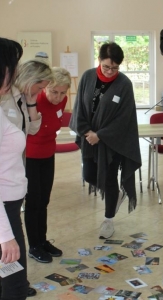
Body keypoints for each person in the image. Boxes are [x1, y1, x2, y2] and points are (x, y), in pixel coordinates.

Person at [70, 41, 141, 240]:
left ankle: (108, 220)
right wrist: (87, 133)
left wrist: (100, 135)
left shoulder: (124, 84)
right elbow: (79, 109)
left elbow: (124, 118)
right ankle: (116, 196)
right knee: (89, 175)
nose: (110, 72)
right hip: (89, 139)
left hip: (111, 143)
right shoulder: (87, 77)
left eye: (115, 68)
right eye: (106, 66)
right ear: (99, 60)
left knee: (109, 180)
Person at [0, 57, 53, 297]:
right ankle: (14, 286)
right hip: (6, 182)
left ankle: (15, 284)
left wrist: (31, 102)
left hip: (15, 178)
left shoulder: (22, 98)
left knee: (13, 246)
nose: (42, 91)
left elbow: (32, 128)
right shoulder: (5, 100)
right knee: (12, 247)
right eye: (40, 87)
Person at [25, 67, 71, 263]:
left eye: (62, 92)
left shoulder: (62, 101)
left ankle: (42, 241)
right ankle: (33, 245)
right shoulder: (34, 101)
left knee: (44, 200)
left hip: (48, 155)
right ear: (46, 87)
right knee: (33, 201)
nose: (58, 97)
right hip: (30, 157)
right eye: (54, 91)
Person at [0, 37, 28, 300]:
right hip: (3, 216)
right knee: (14, 287)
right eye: (13, 67)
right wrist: (5, 236)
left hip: (9, 210)